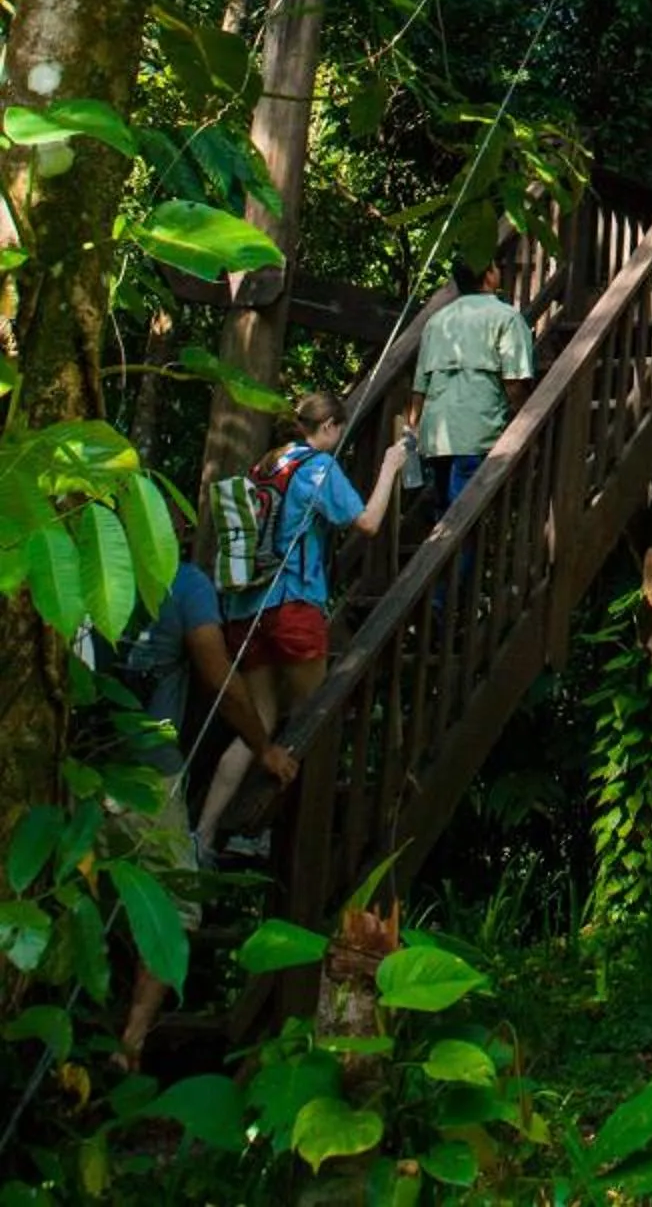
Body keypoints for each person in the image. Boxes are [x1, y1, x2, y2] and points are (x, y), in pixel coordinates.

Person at [111, 543, 301, 1065]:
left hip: (83, 762)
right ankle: (130, 1041)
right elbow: (221, 678)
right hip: (147, 773)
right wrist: (263, 747)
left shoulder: (88, 566)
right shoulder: (184, 583)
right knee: (174, 905)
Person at [194, 392, 402, 857]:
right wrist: (389, 466)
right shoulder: (317, 469)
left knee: (259, 726)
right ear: (327, 426)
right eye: (338, 429)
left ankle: (204, 833)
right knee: (314, 722)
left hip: (248, 609)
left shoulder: (264, 467)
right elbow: (366, 522)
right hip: (293, 605)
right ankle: (263, 830)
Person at [405, 253, 535, 514]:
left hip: (436, 437)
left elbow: (420, 386)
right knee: (464, 518)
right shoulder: (506, 317)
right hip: (477, 432)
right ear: (488, 275)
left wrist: (412, 430)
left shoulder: (437, 322)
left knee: (446, 512)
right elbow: (513, 383)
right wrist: (526, 424)